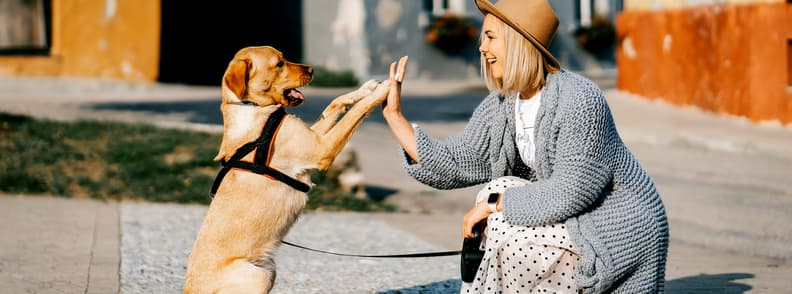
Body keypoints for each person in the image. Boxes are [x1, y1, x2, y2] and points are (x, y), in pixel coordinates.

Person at [382, 0, 669, 293]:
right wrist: (395, 117)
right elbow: (456, 161)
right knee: (498, 194)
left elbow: (571, 191)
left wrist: (494, 206)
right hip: (573, 216)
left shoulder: (580, 100)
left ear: (518, 41)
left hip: (615, 223)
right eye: (483, 38)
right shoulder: (504, 104)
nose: (482, 48)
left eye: (491, 37)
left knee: (506, 224)